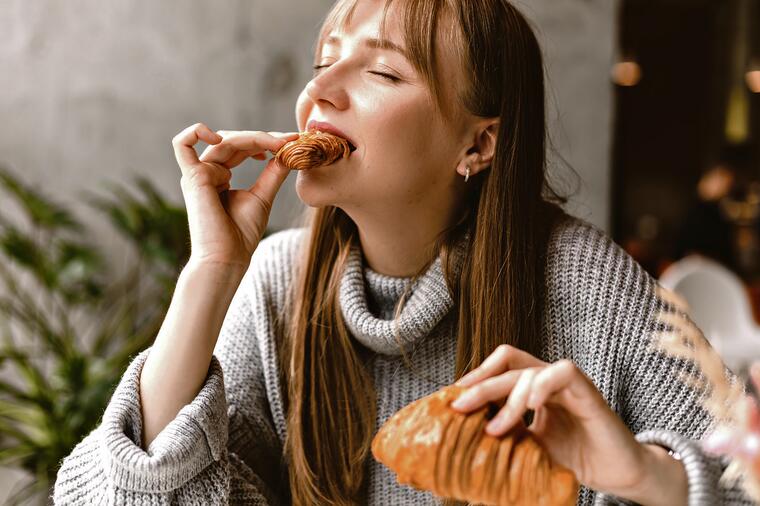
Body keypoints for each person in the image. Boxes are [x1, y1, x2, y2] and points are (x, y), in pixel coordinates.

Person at [53, 0, 755, 504]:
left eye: (382, 73)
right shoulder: (278, 282)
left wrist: (644, 475)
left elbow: (742, 476)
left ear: (477, 145)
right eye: (325, 60)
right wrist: (210, 273)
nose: (318, 90)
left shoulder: (585, 284)